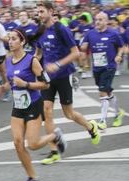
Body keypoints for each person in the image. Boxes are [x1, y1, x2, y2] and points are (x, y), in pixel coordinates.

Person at [0, 29, 66, 181]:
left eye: (14, 39)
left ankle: (55, 136)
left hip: (33, 105)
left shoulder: (32, 61)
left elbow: (46, 84)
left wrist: (27, 84)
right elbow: (12, 81)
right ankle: (32, 178)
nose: (10, 41)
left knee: (33, 144)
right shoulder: (8, 60)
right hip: (18, 106)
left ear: (22, 42)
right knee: (17, 143)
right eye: (9, 39)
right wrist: (4, 87)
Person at [35, 2, 100, 165]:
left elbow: (76, 53)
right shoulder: (40, 31)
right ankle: (53, 151)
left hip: (64, 75)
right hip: (48, 78)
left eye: (42, 11)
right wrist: (33, 64)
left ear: (51, 11)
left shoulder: (61, 29)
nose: (39, 14)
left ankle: (91, 127)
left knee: (68, 114)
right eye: (38, 12)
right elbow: (38, 52)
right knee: (47, 111)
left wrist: (57, 64)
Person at [80, 12, 125, 130]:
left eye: (100, 20)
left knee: (102, 92)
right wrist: (83, 48)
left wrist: (119, 55)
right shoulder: (90, 33)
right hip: (97, 68)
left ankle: (102, 121)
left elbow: (121, 47)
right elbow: (83, 46)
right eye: (96, 20)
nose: (98, 22)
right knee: (107, 91)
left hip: (109, 66)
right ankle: (118, 114)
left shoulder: (113, 33)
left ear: (106, 21)